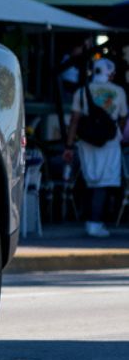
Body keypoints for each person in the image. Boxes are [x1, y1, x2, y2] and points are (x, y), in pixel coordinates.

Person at [65, 57, 127, 238]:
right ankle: (95, 222)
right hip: (109, 142)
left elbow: (74, 121)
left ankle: (88, 219)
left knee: (89, 179)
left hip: (86, 142)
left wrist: (68, 146)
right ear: (110, 73)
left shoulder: (81, 91)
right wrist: (115, 132)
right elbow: (123, 117)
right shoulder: (119, 92)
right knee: (104, 182)